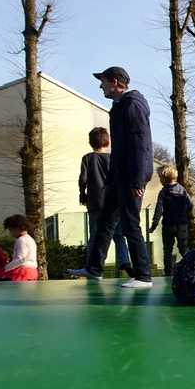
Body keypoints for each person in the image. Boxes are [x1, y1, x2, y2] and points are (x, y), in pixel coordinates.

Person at [68, 67, 154, 288]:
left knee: (130, 224)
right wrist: (111, 178)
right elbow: (118, 148)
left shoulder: (133, 105)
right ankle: (94, 268)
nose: (100, 86)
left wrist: (137, 180)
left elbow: (140, 144)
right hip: (119, 177)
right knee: (106, 222)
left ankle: (143, 276)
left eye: (103, 81)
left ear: (114, 82)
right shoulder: (119, 107)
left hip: (130, 177)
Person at [79, 126, 131, 277]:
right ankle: (124, 261)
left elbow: (83, 179)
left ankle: (91, 266)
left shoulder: (88, 158)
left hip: (96, 202)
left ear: (90, 143)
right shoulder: (113, 158)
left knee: (95, 236)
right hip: (115, 202)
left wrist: (82, 194)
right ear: (108, 143)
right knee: (118, 234)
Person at [149, 163, 195, 274]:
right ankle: (191, 269)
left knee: (168, 250)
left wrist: (154, 225)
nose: (159, 179)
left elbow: (158, 211)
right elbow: (191, 205)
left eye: (160, 177)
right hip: (182, 224)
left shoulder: (163, 192)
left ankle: (168, 272)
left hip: (168, 225)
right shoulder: (182, 190)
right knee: (183, 248)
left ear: (164, 178)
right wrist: (184, 213)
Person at [2, 214, 39, 281]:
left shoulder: (21, 240)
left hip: (22, 272)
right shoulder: (30, 239)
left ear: (17, 228)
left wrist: (5, 268)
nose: (11, 233)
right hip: (33, 271)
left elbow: (20, 259)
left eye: (11, 230)